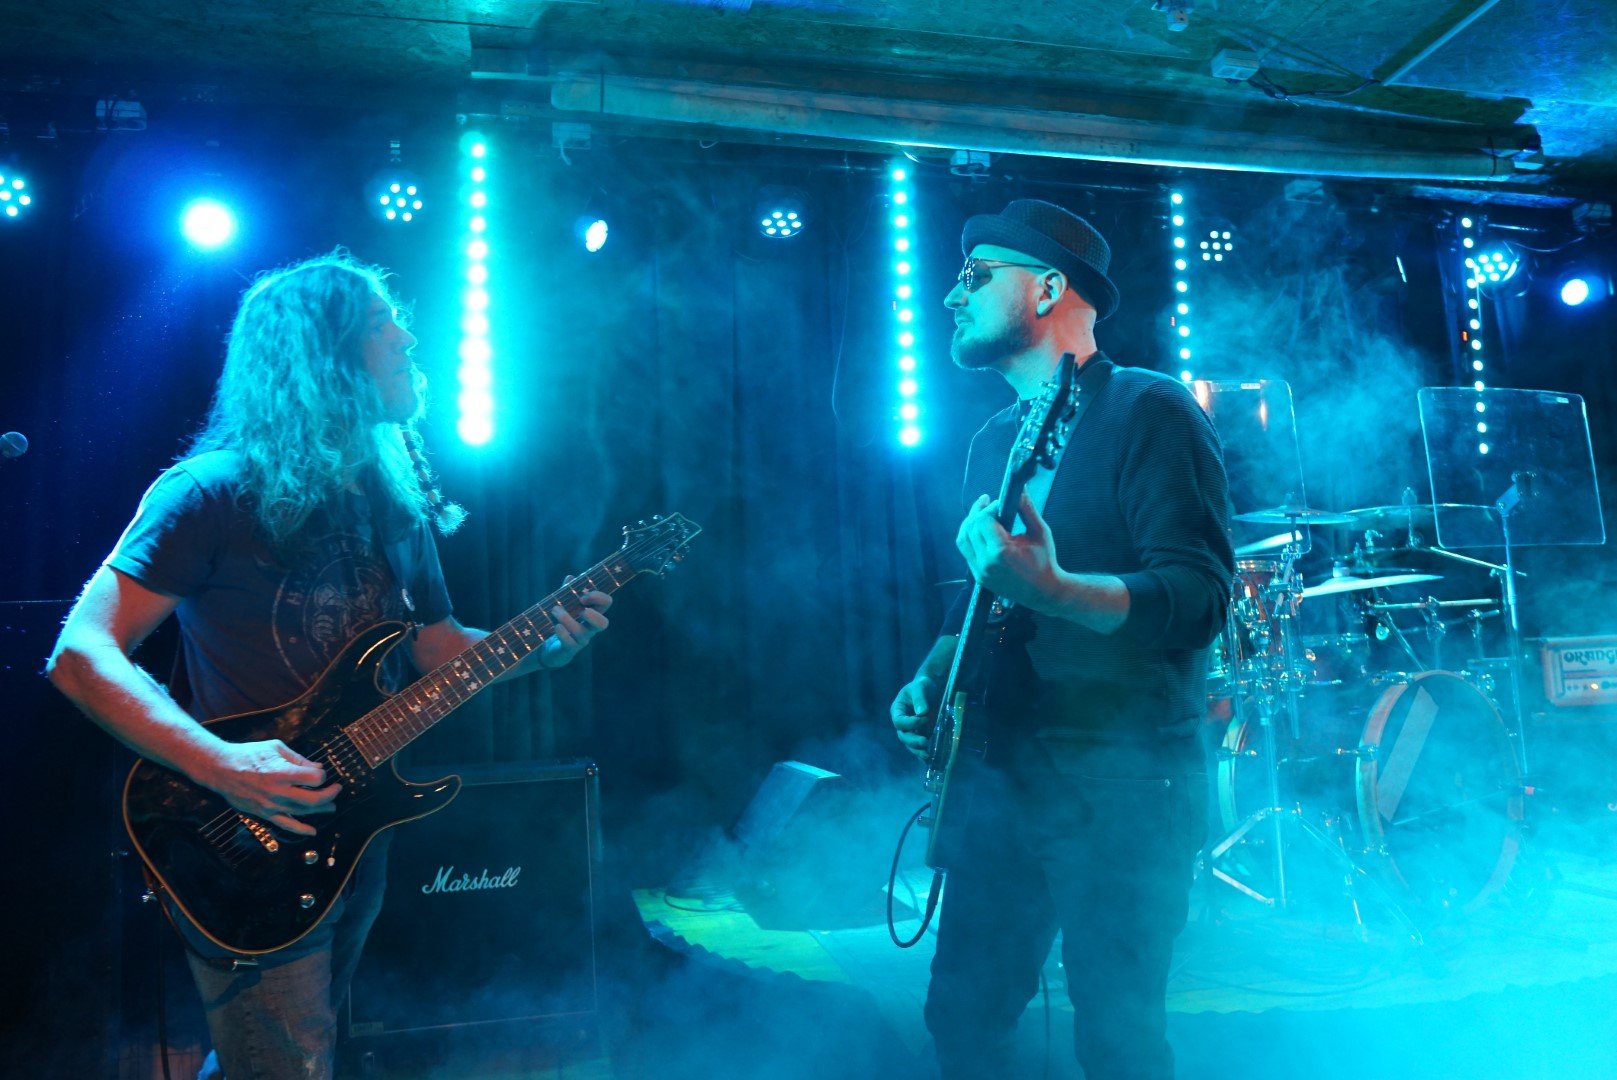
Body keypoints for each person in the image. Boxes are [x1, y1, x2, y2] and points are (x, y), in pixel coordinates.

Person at [46, 252, 612, 1080]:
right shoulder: (210, 492)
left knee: (278, 1054)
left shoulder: (390, 502)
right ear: (323, 353)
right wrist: (220, 762)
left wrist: (550, 647)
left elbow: (439, 651)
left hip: (349, 824)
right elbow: (81, 654)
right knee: (287, 1061)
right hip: (242, 831)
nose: (407, 339)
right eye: (383, 324)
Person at [889, 200, 1234, 1079]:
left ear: (1047, 288)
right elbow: (979, 598)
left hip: (1120, 785)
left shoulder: (1148, 410)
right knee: (961, 1014)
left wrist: (1056, 591)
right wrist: (933, 677)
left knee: (1117, 1038)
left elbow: (1198, 599)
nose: (950, 296)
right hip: (1001, 774)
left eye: (975, 276)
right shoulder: (993, 441)